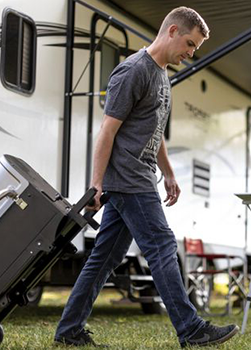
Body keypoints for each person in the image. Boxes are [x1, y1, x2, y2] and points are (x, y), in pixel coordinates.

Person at [54, 6, 239, 348]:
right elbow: (107, 131)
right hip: (128, 180)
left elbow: (154, 132)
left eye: (194, 48)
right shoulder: (132, 72)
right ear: (171, 31)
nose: (190, 52)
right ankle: (190, 328)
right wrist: (96, 184)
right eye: (189, 43)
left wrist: (168, 173)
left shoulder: (162, 76)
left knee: (104, 260)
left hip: (142, 176)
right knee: (163, 247)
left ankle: (68, 331)